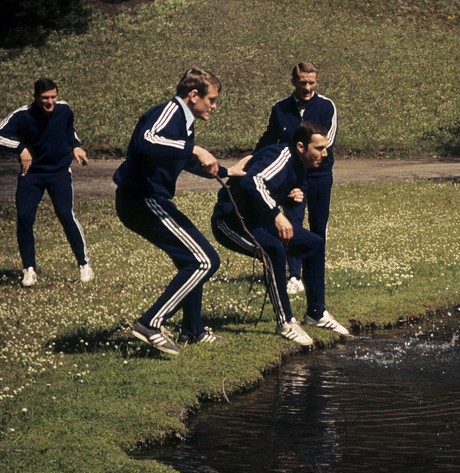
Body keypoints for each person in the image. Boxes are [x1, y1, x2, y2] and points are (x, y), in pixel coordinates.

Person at [114, 66, 245, 355]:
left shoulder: (184, 121)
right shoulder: (169, 112)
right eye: (211, 100)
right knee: (205, 261)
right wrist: (195, 149)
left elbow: (179, 158)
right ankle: (149, 323)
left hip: (153, 200)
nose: (214, 106)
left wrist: (226, 171)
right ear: (193, 95)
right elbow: (146, 141)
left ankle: (193, 331)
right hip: (141, 200)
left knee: (193, 259)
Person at [212, 121, 349, 347]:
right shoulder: (282, 155)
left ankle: (316, 313)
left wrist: (288, 196)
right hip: (230, 221)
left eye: (326, 147)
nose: (325, 154)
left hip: (258, 220)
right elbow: (252, 181)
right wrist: (277, 213)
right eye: (319, 148)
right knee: (273, 251)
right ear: (301, 147)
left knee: (314, 244)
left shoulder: (301, 164)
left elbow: (270, 187)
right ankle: (285, 322)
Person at [0, 78, 93, 287]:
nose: (50, 102)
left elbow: (70, 129)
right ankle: (29, 269)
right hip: (31, 174)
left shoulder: (64, 110)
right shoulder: (22, 115)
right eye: (45, 98)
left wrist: (75, 146)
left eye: (53, 97)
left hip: (59, 171)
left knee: (65, 214)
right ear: (35, 98)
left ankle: (84, 264)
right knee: (24, 217)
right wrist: (20, 148)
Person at [254, 62, 337, 297]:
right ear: (294, 82)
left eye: (312, 82)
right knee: (292, 221)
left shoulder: (326, 106)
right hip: (292, 175)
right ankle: (295, 275)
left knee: (319, 224)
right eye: (303, 83)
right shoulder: (280, 108)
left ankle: (315, 271)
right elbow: (269, 139)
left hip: (319, 175)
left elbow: (326, 144)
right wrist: (252, 160)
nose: (308, 87)